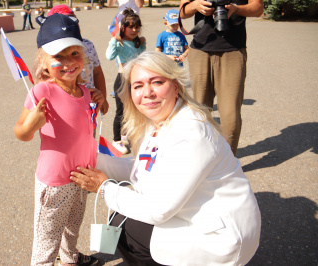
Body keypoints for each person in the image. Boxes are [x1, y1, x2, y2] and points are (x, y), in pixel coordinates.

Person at [70, 51, 261, 265]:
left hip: (221, 238)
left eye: (157, 82)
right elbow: (142, 168)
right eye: (138, 86)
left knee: (125, 226)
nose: (148, 93)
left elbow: (157, 210)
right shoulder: (158, 121)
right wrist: (91, 159)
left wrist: (103, 187)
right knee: (120, 218)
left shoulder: (191, 133)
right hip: (194, 217)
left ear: (175, 86)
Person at [14, 14, 104, 266]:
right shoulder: (42, 91)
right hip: (55, 182)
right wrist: (31, 124)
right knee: (47, 238)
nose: (68, 62)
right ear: (43, 62)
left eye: (74, 53)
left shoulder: (85, 91)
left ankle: (70, 260)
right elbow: (20, 132)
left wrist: (98, 99)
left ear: (83, 55)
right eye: (58, 57)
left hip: (82, 176)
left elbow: (88, 126)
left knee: (72, 227)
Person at [179, 0, 264, 156]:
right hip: (200, 50)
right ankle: (202, 159)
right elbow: (183, 11)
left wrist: (236, 9)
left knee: (230, 116)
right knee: (200, 113)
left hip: (233, 50)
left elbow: (258, 8)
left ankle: (228, 163)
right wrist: (196, 6)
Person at [48, 5, 109, 115]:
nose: (70, 27)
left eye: (73, 22)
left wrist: (103, 97)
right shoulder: (49, 51)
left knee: (89, 131)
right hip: (62, 109)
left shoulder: (88, 45)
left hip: (89, 105)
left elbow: (97, 72)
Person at [106, 8, 146, 154]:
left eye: (137, 27)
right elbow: (109, 56)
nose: (134, 30)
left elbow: (141, 58)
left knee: (135, 109)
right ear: (123, 28)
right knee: (121, 112)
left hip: (136, 79)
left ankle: (126, 135)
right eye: (131, 27)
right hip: (122, 80)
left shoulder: (136, 42)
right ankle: (116, 140)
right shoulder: (119, 42)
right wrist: (113, 41)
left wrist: (142, 44)